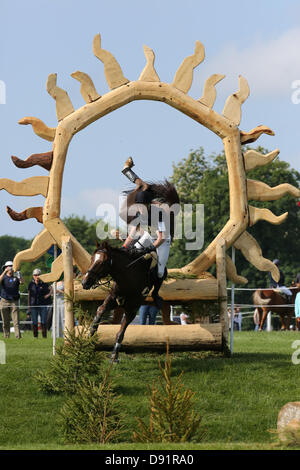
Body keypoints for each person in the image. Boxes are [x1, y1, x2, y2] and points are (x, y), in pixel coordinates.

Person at [120, 157, 180, 308]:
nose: (138, 209)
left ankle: (155, 293)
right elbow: (133, 232)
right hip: (148, 235)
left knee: (160, 272)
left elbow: (161, 237)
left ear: (148, 204)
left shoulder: (158, 213)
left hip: (163, 240)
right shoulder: (140, 212)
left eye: (141, 206)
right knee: (135, 253)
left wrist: (152, 247)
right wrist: (124, 248)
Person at [0, 261, 24, 339]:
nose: (10, 267)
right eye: (9, 266)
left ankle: (18, 336)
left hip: (14, 301)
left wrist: (19, 275)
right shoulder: (3, 277)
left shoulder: (16, 277)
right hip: (4, 301)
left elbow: (22, 282)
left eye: (11, 266)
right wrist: (5, 272)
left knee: (16, 321)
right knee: (5, 321)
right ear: (5, 267)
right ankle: (6, 336)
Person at [28, 269, 51, 338]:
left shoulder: (44, 283)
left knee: (43, 321)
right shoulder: (31, 284)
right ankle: (35, 336)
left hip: (42, 304)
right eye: (35, 275)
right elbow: (29, 296)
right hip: (33, 305)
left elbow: (51, 288)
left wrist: (48, 295)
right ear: (33, 276)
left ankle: (44, 336)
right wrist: (29, 306)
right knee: (34, 321)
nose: (37, 276)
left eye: (38, 275)